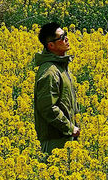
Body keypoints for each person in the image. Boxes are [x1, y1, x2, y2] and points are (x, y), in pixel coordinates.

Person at [33, 23, 80, 154]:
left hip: (67, 136)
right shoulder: (49, 72)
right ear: (51, 45)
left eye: (66, 35)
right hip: (55, 141)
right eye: (62, 37)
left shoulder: (62, 67)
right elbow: (48, 108)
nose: (66, 39)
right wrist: (70, 128)